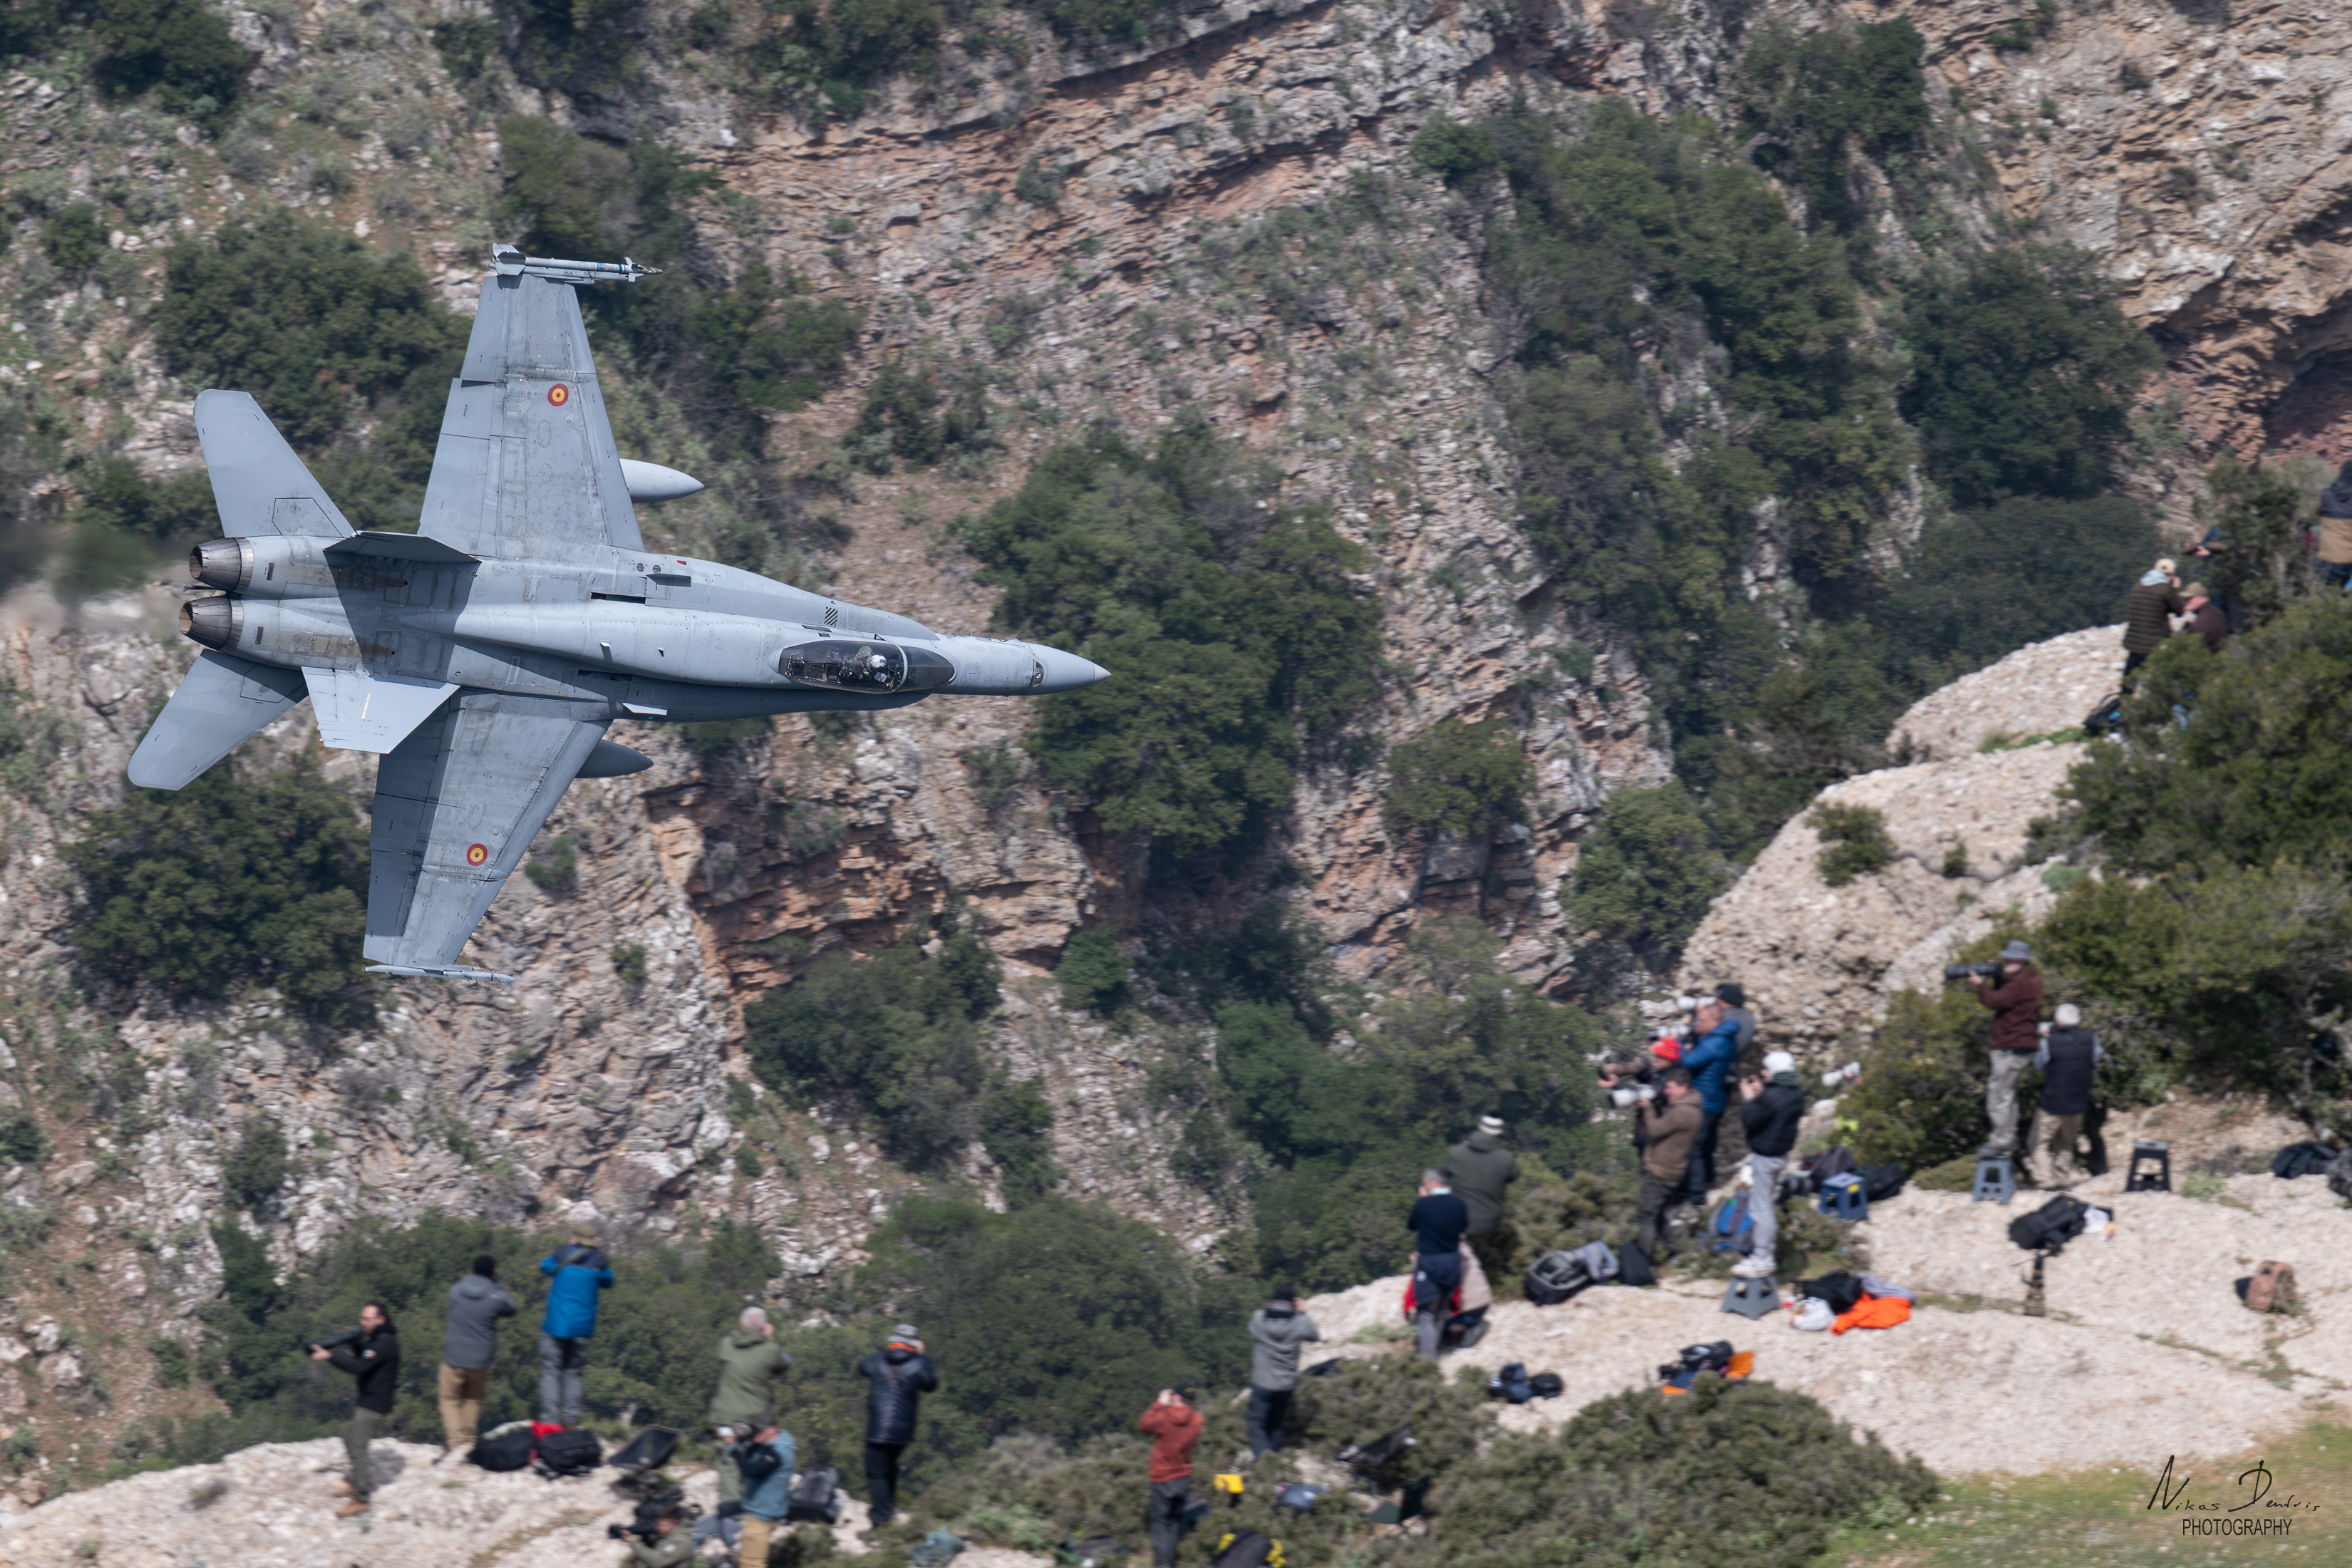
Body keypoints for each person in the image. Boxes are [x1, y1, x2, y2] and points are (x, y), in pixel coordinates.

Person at [311, 1301, 399, 1519]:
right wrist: (356, 1343)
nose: (363, 1322)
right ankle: (357, 1481)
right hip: (368, 1400)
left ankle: (361, 1498)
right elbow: (365, 1359)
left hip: (375, 1404)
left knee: (358, 1446)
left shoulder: (386, 1343)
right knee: (349, 1435)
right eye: (362, 1318)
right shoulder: (378, 1340)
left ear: (381, 1320)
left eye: (367, 1319)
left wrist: (329, 1357)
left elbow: (360, 1367)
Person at [710, 1306, 794, 1508]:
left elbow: (722, 1358)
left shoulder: (726, 1344)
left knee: (728, 1462)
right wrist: (770, 1339)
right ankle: (757, 1503)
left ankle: (731, 1512)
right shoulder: (770, 1349)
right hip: (758, 1419)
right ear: (764, 1326)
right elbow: (783, 1367)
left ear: (741, 1323)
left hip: (725, 1416)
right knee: (758, 1456)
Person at [856, 1324, 939, 1528]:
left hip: (878, 1429)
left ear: (893, 1340)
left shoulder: (877, 1360)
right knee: (890, 1469)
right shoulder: (919, 1363)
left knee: (876, 1473)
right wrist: (923, 1356)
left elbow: (861, 1366)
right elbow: (931, 1384)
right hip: (903, 1430)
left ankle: (880, 1521)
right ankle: (888, 1511)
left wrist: (886, 1350)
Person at [1731, 1053, 1805, 1278]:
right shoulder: (1796, 1093)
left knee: (1760, 1209)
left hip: (1765, 1158)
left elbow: (1751, 1120)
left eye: (1766, 1069)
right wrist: (1762, 1095)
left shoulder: (1772, 1097)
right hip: (1780, 1155)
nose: (1763, 1073)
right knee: (1766, 1206)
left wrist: (1749, 1099)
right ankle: (1767, 1252)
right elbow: (1776, 1112)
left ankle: (1762, 1257)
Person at [438, 1254, 518, 1459]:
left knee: (448, 1398)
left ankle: (456, 1442)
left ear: (472, 1271)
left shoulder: (456, 1290)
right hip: (480, 1360)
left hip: (454, 1356)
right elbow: (511, 1308)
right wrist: (497, 1285)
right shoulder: (495, 1295)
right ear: (492, 1274)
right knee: (472, 1399)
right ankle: (468, 1440)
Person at [1970, 940, 2046, 1157]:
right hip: (2024, 1045)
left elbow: (1996, 1001)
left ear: (2021, 960)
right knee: (2008, 1094)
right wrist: (1997, 978)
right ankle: (2009, 1136)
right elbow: (2010, 998)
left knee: (1998, 1096)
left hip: (2009, 1046)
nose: (2006, 962)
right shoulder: (2032, 978)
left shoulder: (2020, 982)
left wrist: (1980, 985)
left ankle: (2001, 1141)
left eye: (2010, 959)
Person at [538, 1224, 614, 1428]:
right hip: (582, 1329)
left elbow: (544, 1265)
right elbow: (609, 1280)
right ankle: (570, 1421)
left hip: (555, 1326)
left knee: (551, 1372)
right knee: (573, 1373)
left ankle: (551, 1421)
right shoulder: (599, 1263)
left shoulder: (560, 1256)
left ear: (575, 1239)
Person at [2028, 1004, 2103, 1187]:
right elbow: (2096, 1058)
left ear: (2057, 1022)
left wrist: (2042, 1038)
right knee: (2066, 1144)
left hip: (2052, 1104)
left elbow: (2038, 1064)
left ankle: (2045, 1182)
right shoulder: (2091, 1038)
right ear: (2078, 1021)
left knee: (2038, 1143)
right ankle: (2062, 1181)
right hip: (2078, 1104)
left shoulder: (2049, 1041)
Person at [1633, 1069, 1701, 1262]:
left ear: (1683, 1087)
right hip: (1671, 1172)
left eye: (1670, 1087)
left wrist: (1647, 1108)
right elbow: (1668, 1125)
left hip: (1661, 1172)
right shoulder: (1689, 1109)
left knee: (1646, 1217)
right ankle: (1673, 1249)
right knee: (1657, 1212)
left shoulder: (1683, 1112)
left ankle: (1642, 1264)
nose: (1667, 1091)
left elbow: (1654, 1130)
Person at [1678, 1000, 1740, 1205]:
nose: (1699, 1022)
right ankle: (1709, 1178)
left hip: (1704, 1102)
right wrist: (1697, 1036)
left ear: (1714, 1020)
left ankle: (1696, 1196)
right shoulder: (1720, 1037)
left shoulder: (1716, 1041)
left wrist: (1677, 1042)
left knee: (1694, 1147)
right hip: (1715, 1100)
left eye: (1702, 1020)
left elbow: (1690, 1062)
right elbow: (1703, 1057)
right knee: (1707, 1145)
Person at [1244, 1291, 1320, 1459]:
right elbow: (1315, 1336)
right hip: (1285, 1385)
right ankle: (1273, 1459)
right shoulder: (1299, 1322)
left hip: (1262, 1383)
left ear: (1273, 1299)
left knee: (1255, 1423)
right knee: (1276, 1424)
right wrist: (1301, 1312)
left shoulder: (1259, 1318)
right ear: (1293, 1302)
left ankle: (1265, 1465)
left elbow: (1251, 1328)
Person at [1444, 1115, 1521, 1272]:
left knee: (1454, 1253)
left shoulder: (1456, 1153)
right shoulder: (1506, 1158)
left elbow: (1447, 1176)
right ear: (1499, 1134)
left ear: (1479, 1128)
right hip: (1487, 1222)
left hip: (1455, 1218)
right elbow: (1514, 1175)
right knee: (1478, 1257)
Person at [1138, 1386, 1203, 1568]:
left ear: (1176, 1396)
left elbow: (1143, 1425)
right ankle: (1169, 1562)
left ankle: (1163, 1564)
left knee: (1159, 1523)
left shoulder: (1164, 1417)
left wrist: (1159, 1404)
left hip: (1162, 1477)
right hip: (1183, 1477)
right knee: (1173, 1524)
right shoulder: (1198, 1419)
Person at [1407, 1169, 1469, 1358]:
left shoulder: (1423, 1204)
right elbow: (1463, 1227)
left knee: (1425, 1314)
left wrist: (1424, 1199)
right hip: (1452, 1261)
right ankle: (1435, 1352)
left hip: (1430, 1262)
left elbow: (1412, 1226)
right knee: (1441, 1310)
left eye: (1425, 1183)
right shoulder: (1460, 1204)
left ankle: (1427, 1361)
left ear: (1431, 1182)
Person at [726, 1413, 798, 1568]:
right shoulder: (772, 1444)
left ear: (772, 1430)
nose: (755, 1434)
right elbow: (753, 1454)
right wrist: (743, 1439)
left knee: (751, 1564)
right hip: (766, 1513)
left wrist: (733, 1447)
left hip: (761, 1517)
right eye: (753, 1430)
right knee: (746, 1558)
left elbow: (751, 1471)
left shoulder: (778, 1453)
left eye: (759, 1430)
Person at [2123, 560, 2185, 683]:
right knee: (2164, 680)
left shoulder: (2137, 586)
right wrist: (2176, 589)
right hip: (2156, 643)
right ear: (2171, 575)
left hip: (2135, 642)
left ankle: (2125, 698)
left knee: (2130, 681)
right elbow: (2180, 611)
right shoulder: (2166, 589)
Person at [617, 1496, 696, 1568]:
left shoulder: (681, 1542)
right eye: (656, 1523)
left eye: (661, 1525)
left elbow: (657, 1562)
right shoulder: (668, 1535)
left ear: (675, 1524)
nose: (657, 1527)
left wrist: (634, 1542)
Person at [2319, 462, 2352, 590]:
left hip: (2328, 560)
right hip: (2350, 561)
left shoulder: (2325, 494)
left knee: (2324, 599)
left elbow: (2317, 513)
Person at [2180, 583, 2230, 654]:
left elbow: (2186, 652)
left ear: (2201, 599)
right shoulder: (2217, 611)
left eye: (2189, 598)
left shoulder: (2198, 627)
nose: (2185, 602)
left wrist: (2177, 631)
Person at [1714, 983, 1758, 1056]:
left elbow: (1703, 1041)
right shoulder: (1750, 1017)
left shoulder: (1722, 1018)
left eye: (1718, 998)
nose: (1716, 1001)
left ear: (1724, 1000)